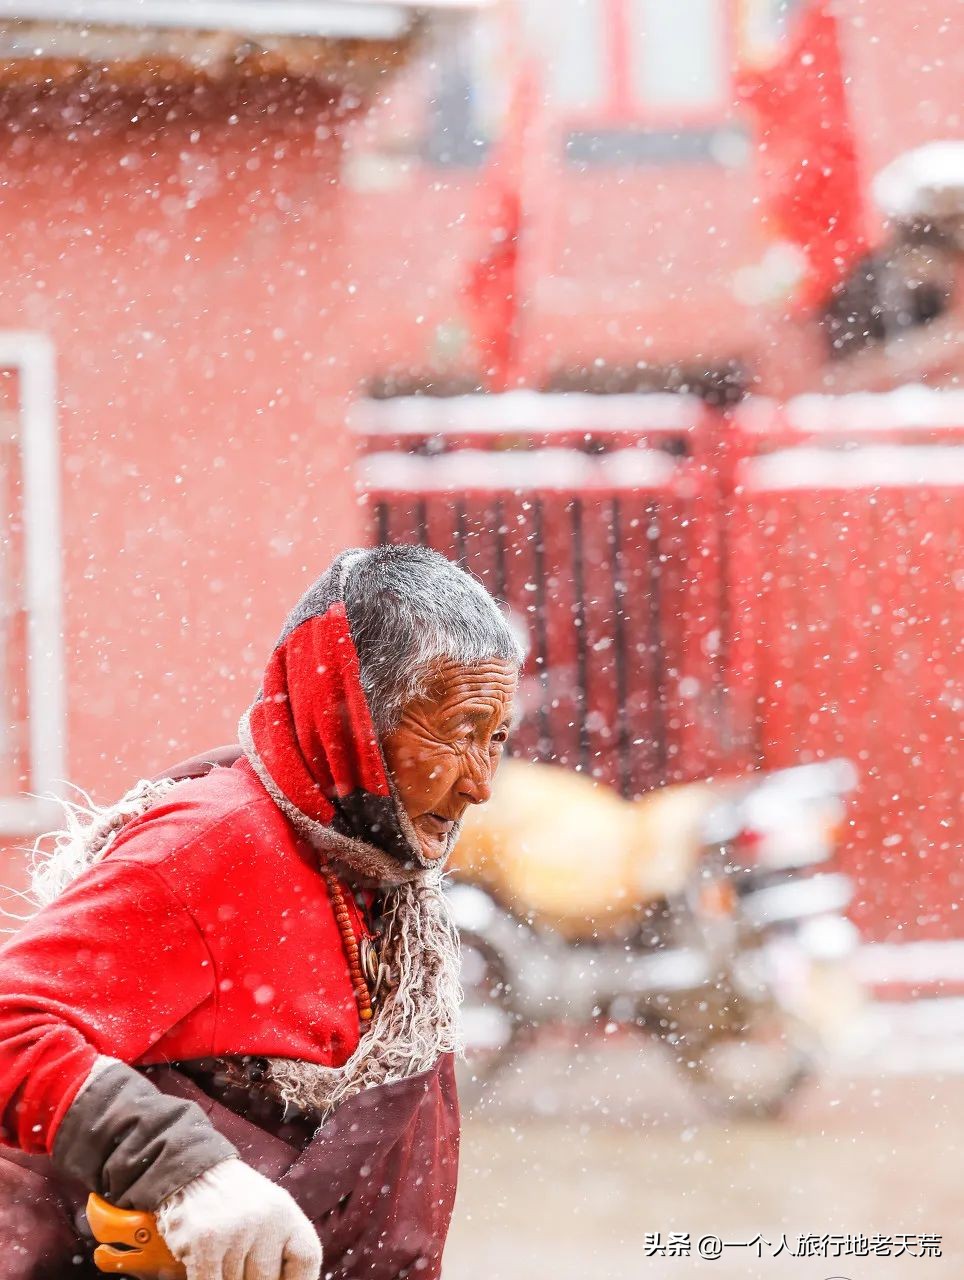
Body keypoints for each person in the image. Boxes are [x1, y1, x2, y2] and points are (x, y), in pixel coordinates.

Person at [0, 544, 522, 1280]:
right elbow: (10, 1024)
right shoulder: (216, 844)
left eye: (496, 737)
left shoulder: (372, 868)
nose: (480, 784)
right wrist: (185, 1172)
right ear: (352, 713)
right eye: (460, 730)